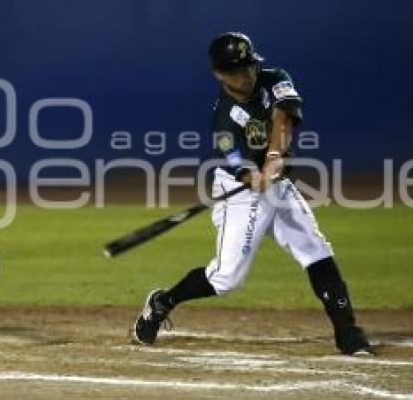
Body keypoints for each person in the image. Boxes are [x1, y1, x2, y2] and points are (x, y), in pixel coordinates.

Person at [131, 32, 373, 356]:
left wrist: (274, 158)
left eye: (249, 67)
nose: (246, 75)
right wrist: (254, 176)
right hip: (241, 192)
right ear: (219, 75)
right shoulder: (224, 120)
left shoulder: (276, 79)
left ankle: (349, 334)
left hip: (278, 185)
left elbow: (282, 119)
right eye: (237, 71)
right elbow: (241, 169)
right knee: (226, 279)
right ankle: (162, 302)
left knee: (316, 250)